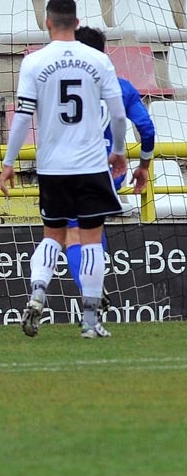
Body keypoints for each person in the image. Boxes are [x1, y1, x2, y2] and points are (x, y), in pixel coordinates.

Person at [0, 0, 129, 339]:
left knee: (52, 236)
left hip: (53, 167)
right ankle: (89, 321)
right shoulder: (98, 60)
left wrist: (9, 162)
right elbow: (117, 114)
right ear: (77, 21)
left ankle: (38, 292)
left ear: (47, 22)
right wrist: (117, 151)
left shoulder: (34, 62)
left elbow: (23, 117)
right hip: (90, 165)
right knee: (90, 240)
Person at [58, 26, 155, 336]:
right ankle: (93, 293)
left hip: (67, 168)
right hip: (108, 169)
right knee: (92, 231)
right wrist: (144, 166)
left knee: (72, 236)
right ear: (103, 52)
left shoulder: (61, 84)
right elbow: (147, 130)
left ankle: (90, 295)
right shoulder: (121, 87)